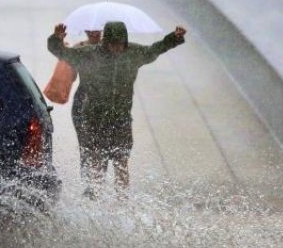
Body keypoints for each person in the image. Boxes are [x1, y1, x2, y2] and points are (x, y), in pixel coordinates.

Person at [48, 20, 186, 197]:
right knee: (96, 160)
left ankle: (122, 198)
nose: (117, 49)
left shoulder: (133, 53)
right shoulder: (88, 54)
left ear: (125, 42)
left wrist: (173, 38)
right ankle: (95, 197)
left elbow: (154, 50)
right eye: (113, 44)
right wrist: (56, 39)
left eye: (120, 44)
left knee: (121, 162)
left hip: (121, 119)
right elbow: (62, 52)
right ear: (107, 42)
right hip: (94, 119)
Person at [71, 30, 102, 180]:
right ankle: (88, 183)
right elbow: (71, 78)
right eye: (91, 30)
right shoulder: (79, 48)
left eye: (97, 29)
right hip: (82, 100)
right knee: (85, 145)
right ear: (85, 31)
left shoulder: (112, 49)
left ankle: (98, 182)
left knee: (100, 146)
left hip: (104, 102)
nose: (94, 33)